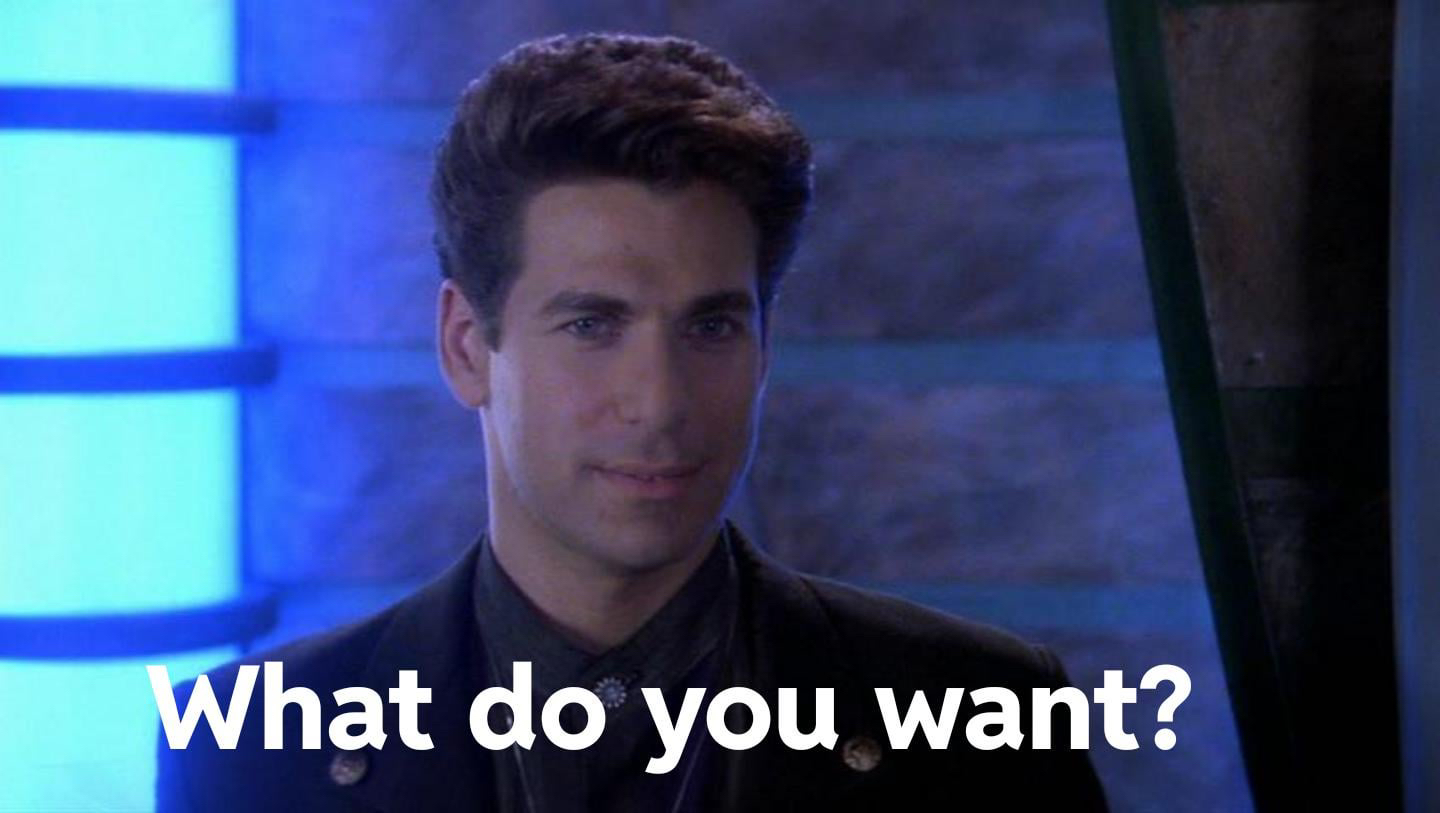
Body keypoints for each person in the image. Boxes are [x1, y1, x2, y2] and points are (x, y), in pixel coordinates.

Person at [156, 32, 1107, 811]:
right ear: (466, 346)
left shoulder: (986, 724)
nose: (659, 401)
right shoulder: (253, 745)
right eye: (591, 324)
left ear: (765, 346)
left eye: (712, 325)